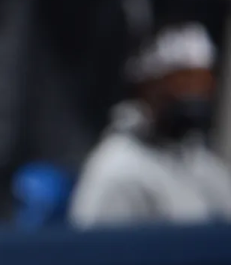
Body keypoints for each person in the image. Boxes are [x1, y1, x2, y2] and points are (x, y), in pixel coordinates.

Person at [70, 23, 231, 227]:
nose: (195, 92)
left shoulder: (203, 164)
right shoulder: (119, 170)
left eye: (203, 81)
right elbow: (101, 254)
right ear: (148, 86)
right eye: (182, 80)